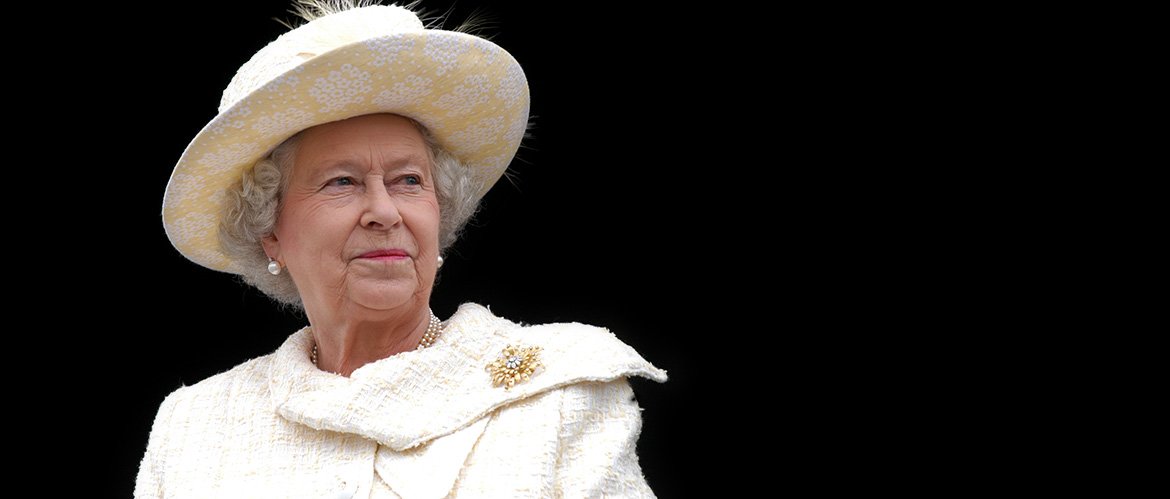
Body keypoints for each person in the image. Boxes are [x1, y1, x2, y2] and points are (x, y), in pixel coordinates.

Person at [135, 1, 667, 497]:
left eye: (409, 180)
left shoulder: (558, 391)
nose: (384, 211)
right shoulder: (193, 425)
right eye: (341, 182)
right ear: (270, 229)